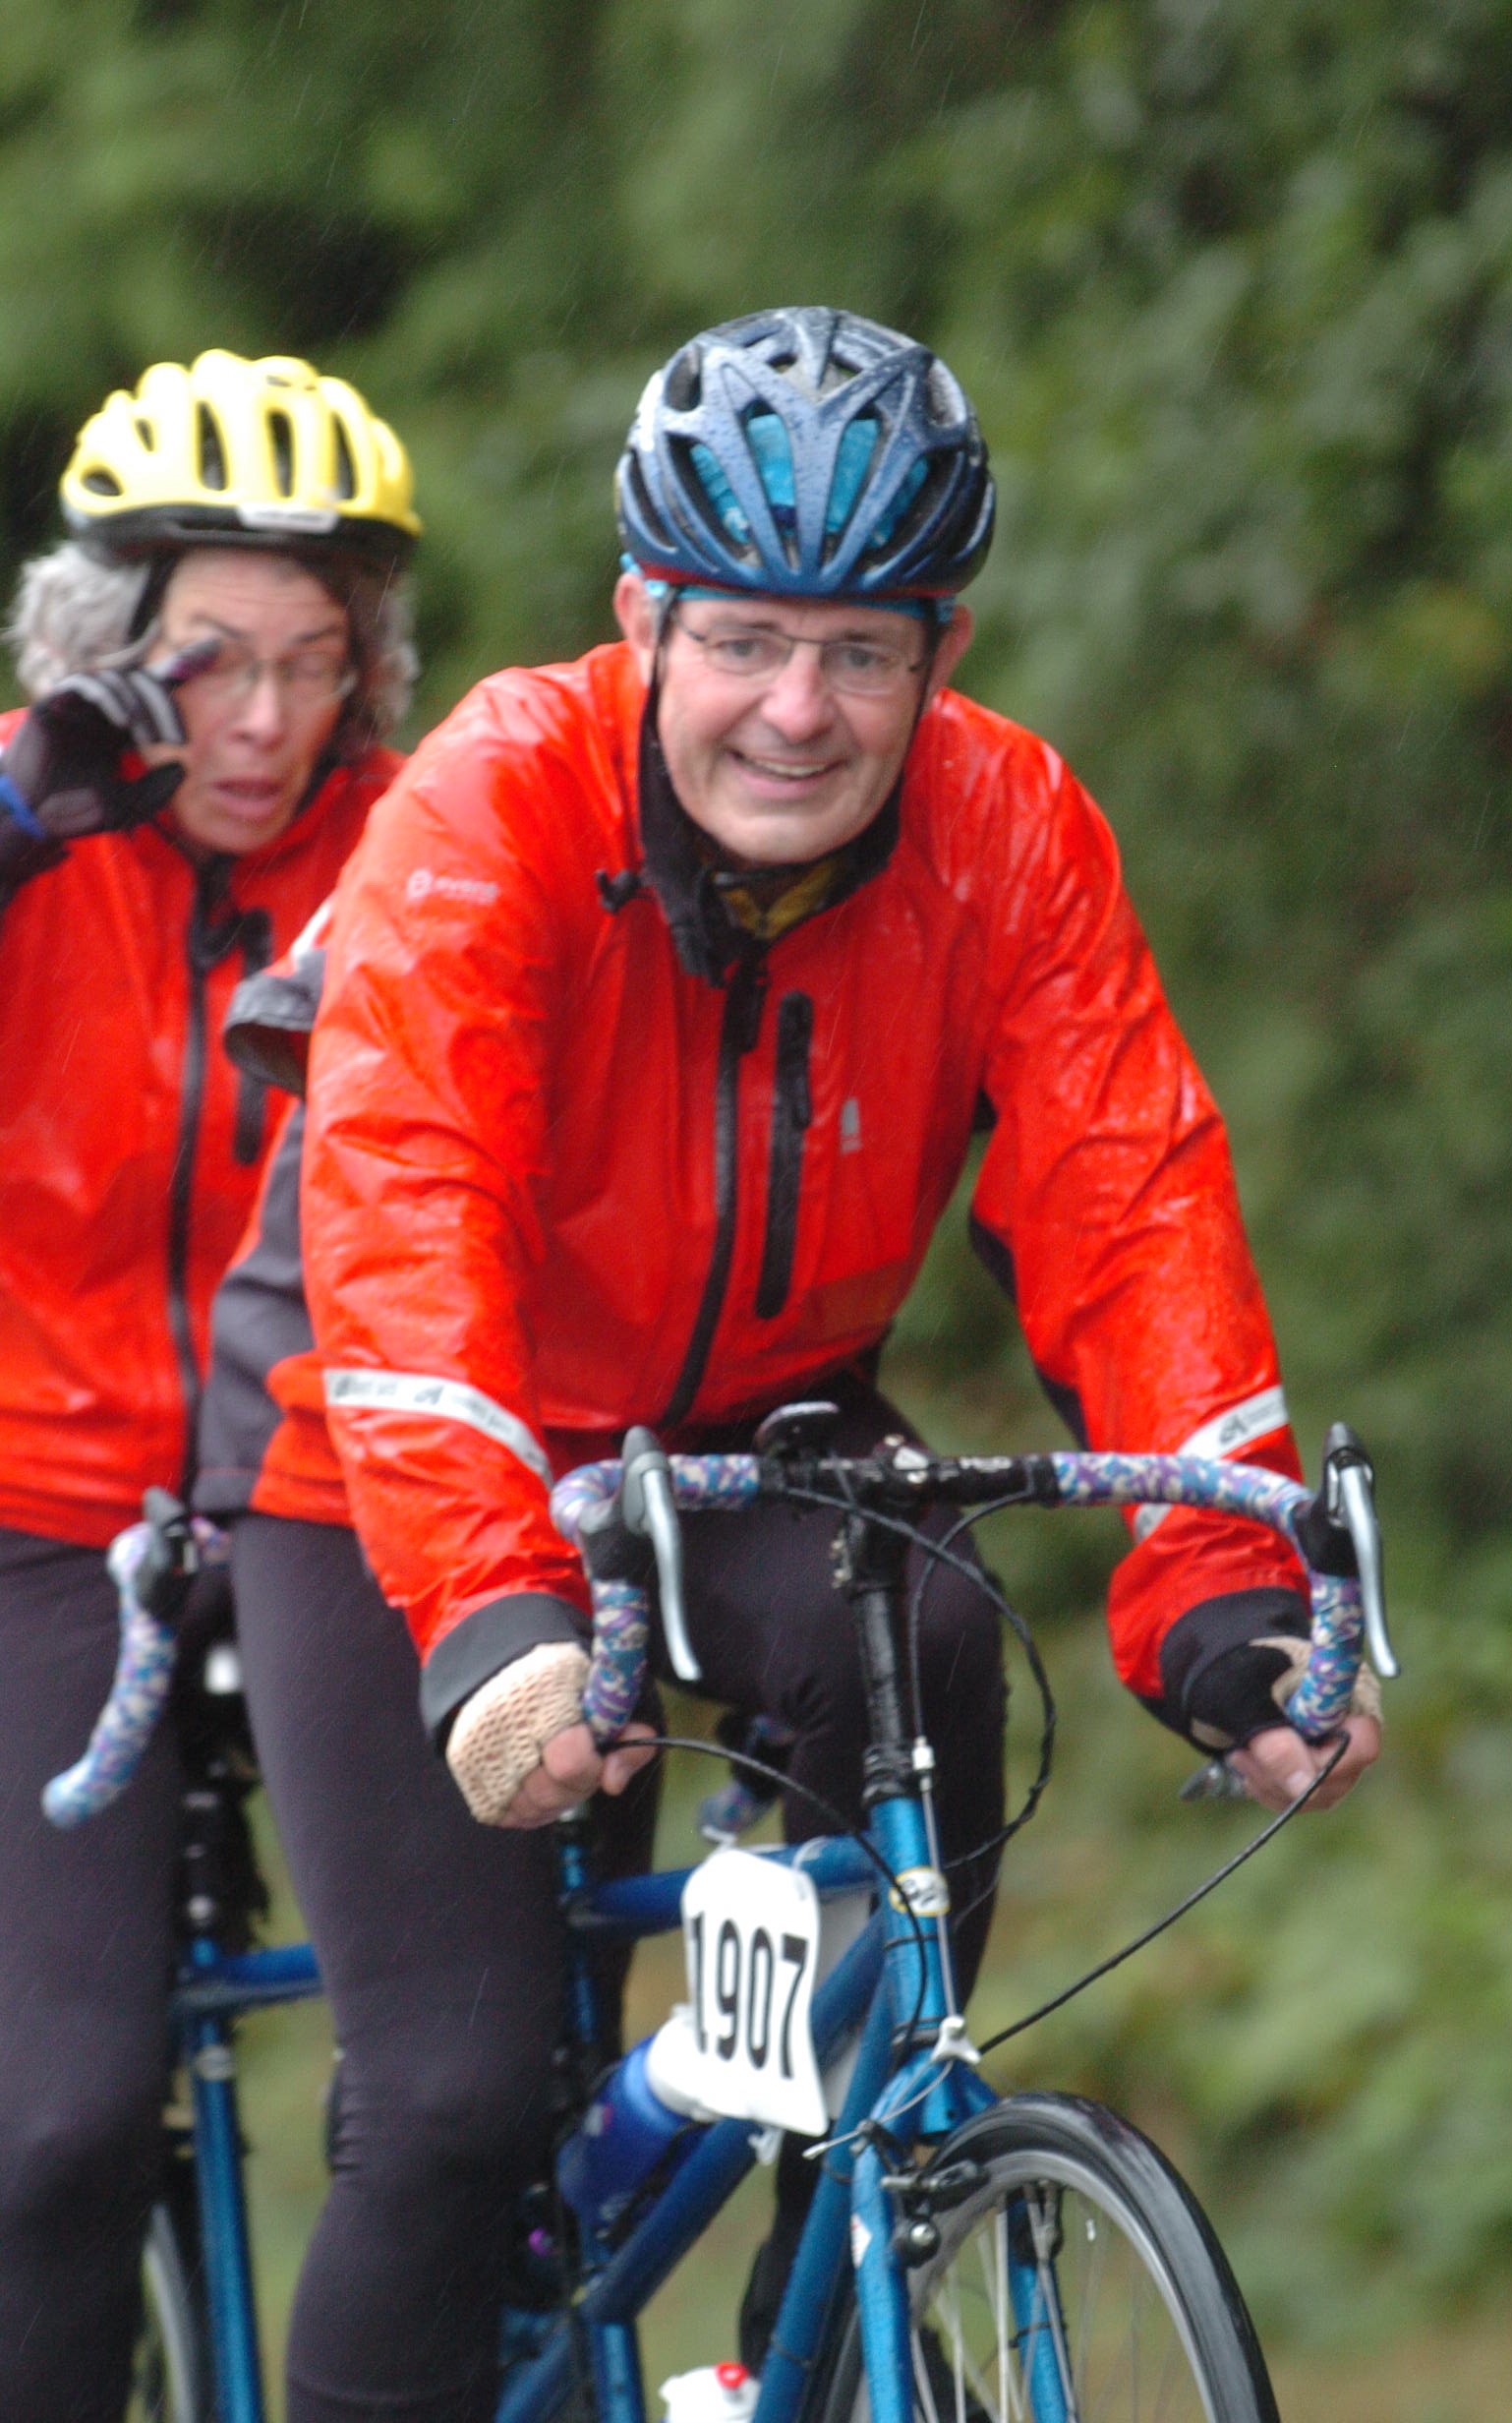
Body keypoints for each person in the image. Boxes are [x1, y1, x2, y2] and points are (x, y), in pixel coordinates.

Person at [200, 306, 1380, 2422]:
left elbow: (1132, 1198)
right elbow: (411, 1208)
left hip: (751, 1425)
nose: (798, 708)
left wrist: (1223, 1585)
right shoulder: (493, 796)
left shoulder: (1007, 826)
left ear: (942, 653)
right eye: (744, 639)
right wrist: (488, 1603)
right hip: (381, 1437)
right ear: (642, 619)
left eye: (862, 650)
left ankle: (810, 2326)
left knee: (930, 1633)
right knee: (455, 2094)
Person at [0, 347, 420, 2423]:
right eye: (211, 661)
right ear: (110, 649)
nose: (266, 722)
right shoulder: (28, 813)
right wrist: (20, 818)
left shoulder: (419, 839)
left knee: (476, 2083)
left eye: (315, 662)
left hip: (331, 1497)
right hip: (46, 1515)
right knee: (60, 2127)